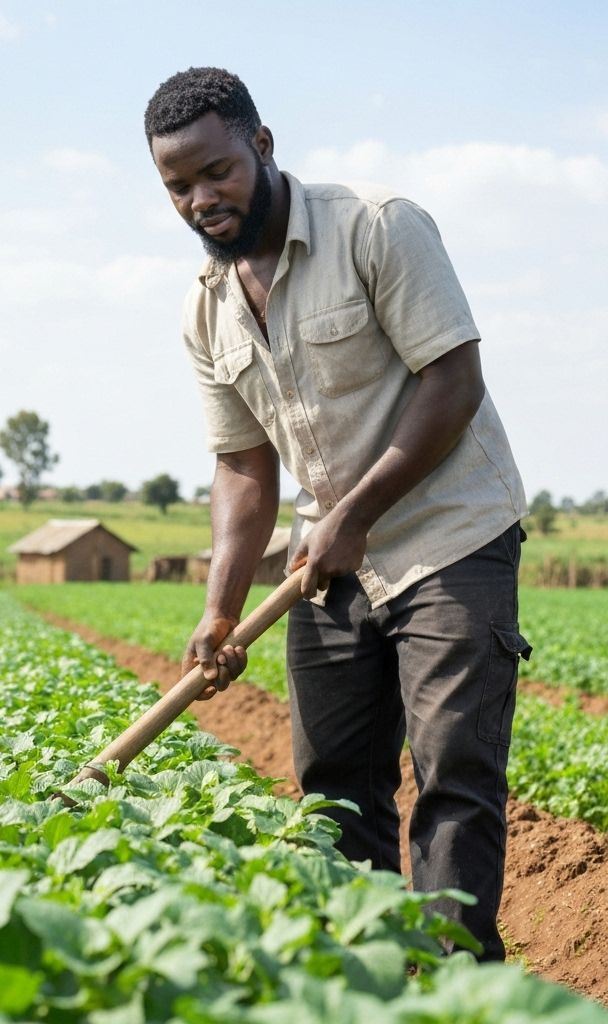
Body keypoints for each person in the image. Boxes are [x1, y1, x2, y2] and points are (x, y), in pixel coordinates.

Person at [143, 66, 531, 961]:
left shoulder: (376, 227)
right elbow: (244, 468)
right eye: (177, 186)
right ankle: (367, 981)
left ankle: (453, 989)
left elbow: (455, 382)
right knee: (333, 791)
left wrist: (353, 513)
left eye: (216, 173)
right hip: (328, 562)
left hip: (450, 538)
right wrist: (219, 607)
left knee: (453, 779)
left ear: (263, 145)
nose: (201, 199)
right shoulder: (208, 310)